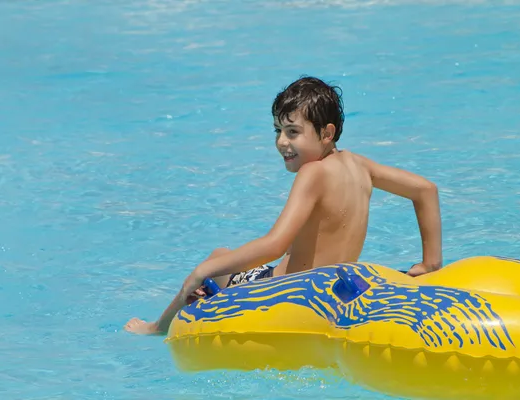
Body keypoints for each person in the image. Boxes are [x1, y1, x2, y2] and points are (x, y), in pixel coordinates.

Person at [124, 76, 442, 335]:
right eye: (278, 131)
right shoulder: (361, 166)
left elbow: (275, 245)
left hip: (290, 293)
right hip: (336, 290)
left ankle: (156, 328)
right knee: (223, 261)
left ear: (327, 133)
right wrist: (430, 265)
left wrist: (203, 272)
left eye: (293, 132)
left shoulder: (312, 172)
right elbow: (425, 190)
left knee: (216, 259)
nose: (281, 143)